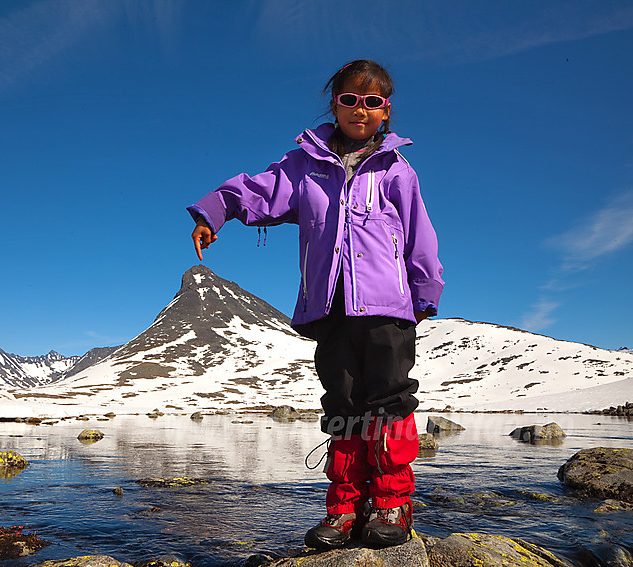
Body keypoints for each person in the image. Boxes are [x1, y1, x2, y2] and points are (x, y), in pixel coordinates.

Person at [186, 59, 444, 550]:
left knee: (387, 403)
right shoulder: (304, 166)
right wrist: (214, 213)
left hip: (388, 309)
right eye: (350, 99)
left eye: (372, 102)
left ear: (386, 111)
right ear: (335, 104)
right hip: (330, 310)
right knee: (343, 406)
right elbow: (258, 191)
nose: (360, 110)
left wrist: (424, 292)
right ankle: (345, 507)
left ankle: (392, 502)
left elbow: (419, 236)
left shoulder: (397, 170)